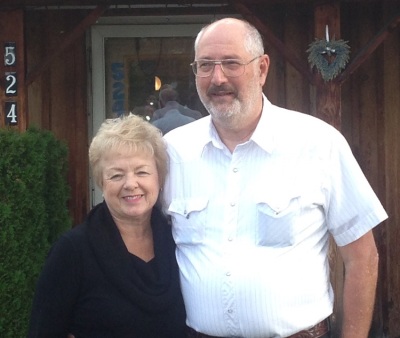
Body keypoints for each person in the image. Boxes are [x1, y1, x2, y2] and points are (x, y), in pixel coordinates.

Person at [162, 18, 388, 338]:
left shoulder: (317, 143)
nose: (217, 77)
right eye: (205, 65)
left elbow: (363, 257)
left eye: (231, 63)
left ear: (262, 69)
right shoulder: (174, 152)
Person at [28, 115, 186, 338]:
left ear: (159, 178)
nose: (131, 184)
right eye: (116, 175)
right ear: (101, 183)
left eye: (142, 172)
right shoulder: (72, 252)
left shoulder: (178, 240)